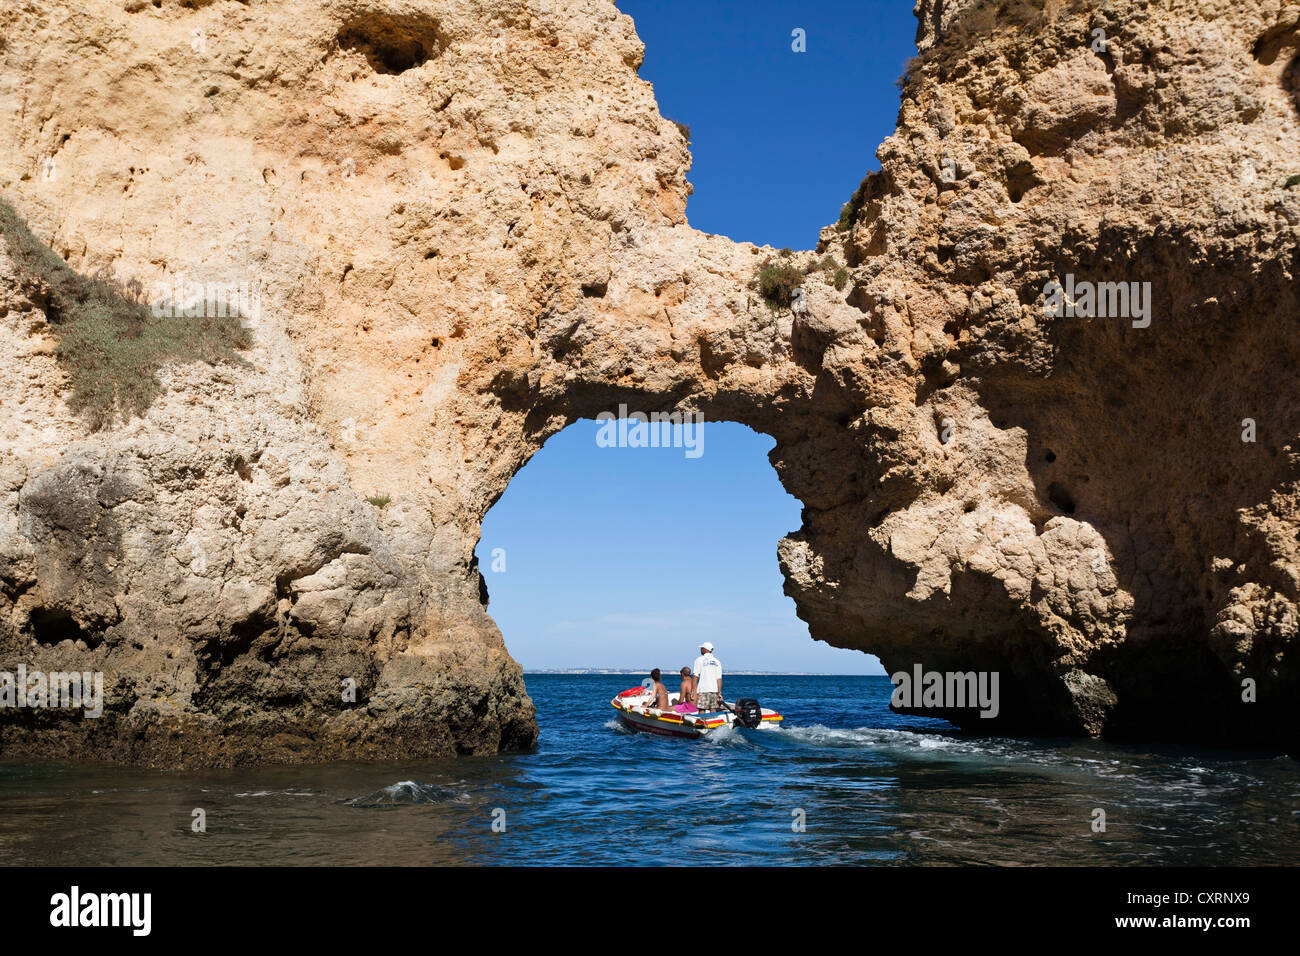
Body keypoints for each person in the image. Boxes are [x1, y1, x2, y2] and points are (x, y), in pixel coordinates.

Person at [693, 642, 723, 711]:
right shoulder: (717, 662)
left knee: (701, 710)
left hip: (703, 689)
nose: (700, 649)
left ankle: (702, 721)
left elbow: (695, 676)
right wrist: (719, 692)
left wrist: (693, 691)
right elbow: (719, 679)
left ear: (705, 649)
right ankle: (712, 720)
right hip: (714, 690)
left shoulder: (699, 660)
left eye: (702, 648)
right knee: (713, 709)